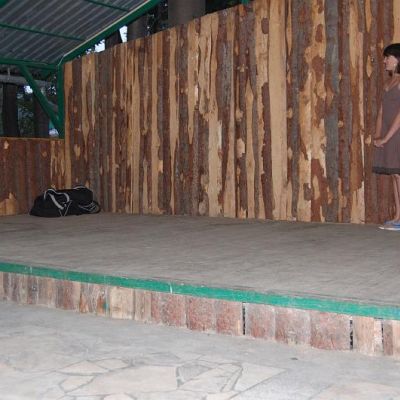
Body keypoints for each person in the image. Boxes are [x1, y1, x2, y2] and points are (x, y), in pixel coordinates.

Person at [373, 43, 400, 230]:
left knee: (398, 174)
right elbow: (382, 112)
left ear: (397, 59)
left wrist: (387, 137)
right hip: (389, 134)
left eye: (387, 57)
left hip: (397, 134)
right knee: (394, 174)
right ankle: (398, 216)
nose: (384, 61)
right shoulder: (388, 83)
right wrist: (377, 134)